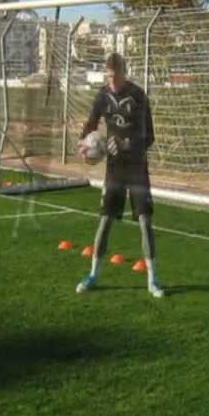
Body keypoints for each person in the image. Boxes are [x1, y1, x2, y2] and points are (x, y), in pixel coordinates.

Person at [75, 53, 163, 298]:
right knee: (105, 220)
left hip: (136, 168)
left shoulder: (138, 96)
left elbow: (149, 137)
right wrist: (84, 143)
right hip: (114, 168)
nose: (112, 82)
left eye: (116, 77)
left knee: (145, 222)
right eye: (109, 77)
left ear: (125, 73)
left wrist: (126, 144)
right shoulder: (103, 95)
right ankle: (93, 274)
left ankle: (153, 279)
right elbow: (92, 122)